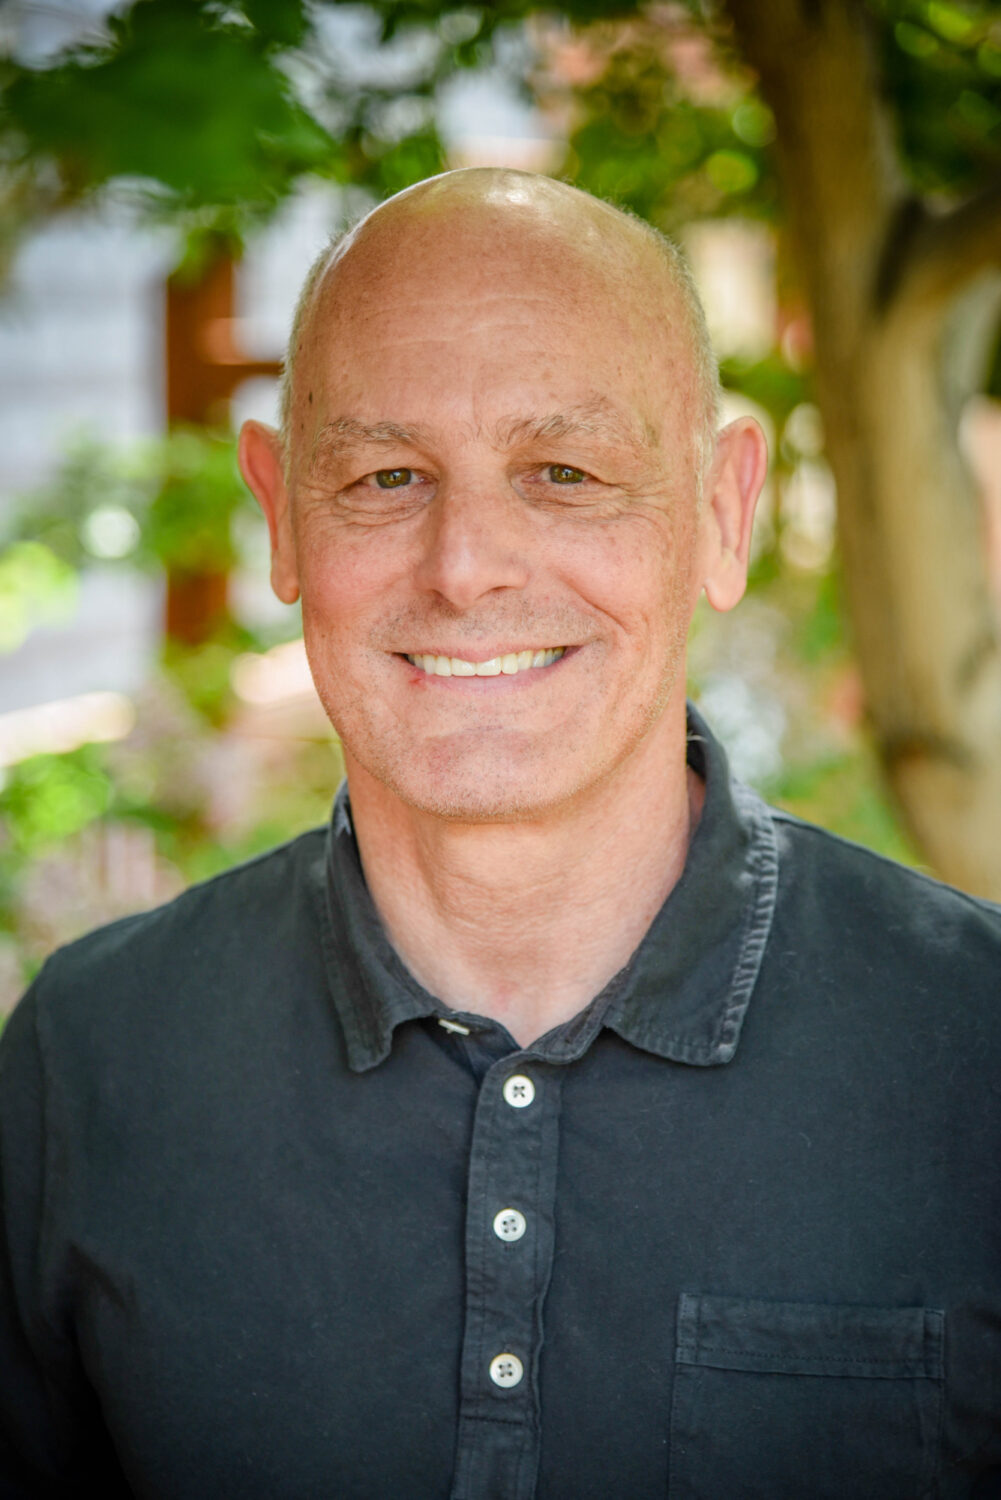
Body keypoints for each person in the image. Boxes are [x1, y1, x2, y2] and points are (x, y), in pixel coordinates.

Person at [0, 168, 999, 1500]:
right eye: (386, 474)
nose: (465, 563)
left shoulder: (973, 1056)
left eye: (565, 471)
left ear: (720, 507)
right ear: (281, 508)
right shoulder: (89, 1063)